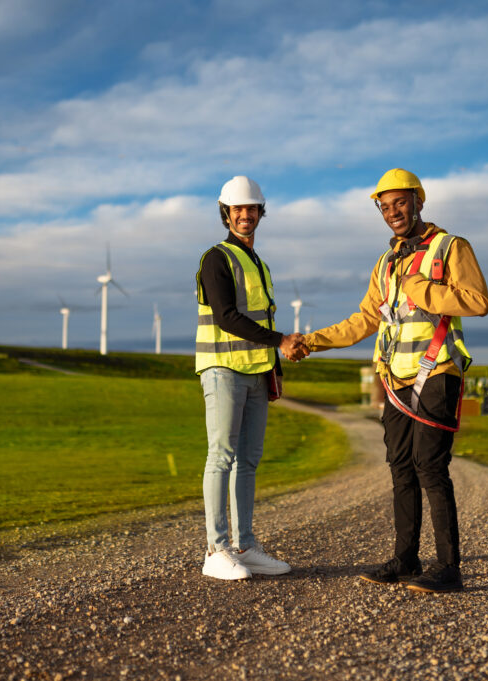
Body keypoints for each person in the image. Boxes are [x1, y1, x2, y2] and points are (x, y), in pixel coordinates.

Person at [302, 168, 488, 593]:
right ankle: (406, 560)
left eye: (400, 203)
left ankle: (448, 567)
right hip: (395, 380)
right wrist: (312, 341)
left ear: (419, 201)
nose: (393, 213)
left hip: (437, 371)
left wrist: (423, 289)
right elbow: (366, 319)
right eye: (384, 207)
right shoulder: (386, 262)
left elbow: (478, 301)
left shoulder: (450, 247)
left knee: (430, 466)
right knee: (401, 467)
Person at [195, 175, 308, 580]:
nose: (246, 215)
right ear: (226, 213)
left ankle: (244, 545)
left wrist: (275, 368)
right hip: (223, 370)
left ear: (261, 212)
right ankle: (215, 550)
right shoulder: (216, 258)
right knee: (221, 456)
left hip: (257, 373)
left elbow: (262, 318)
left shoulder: (259, 264)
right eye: (239, 209)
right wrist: (281, 341)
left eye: (253, 208)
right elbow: (227, 316)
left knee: (248, 461)